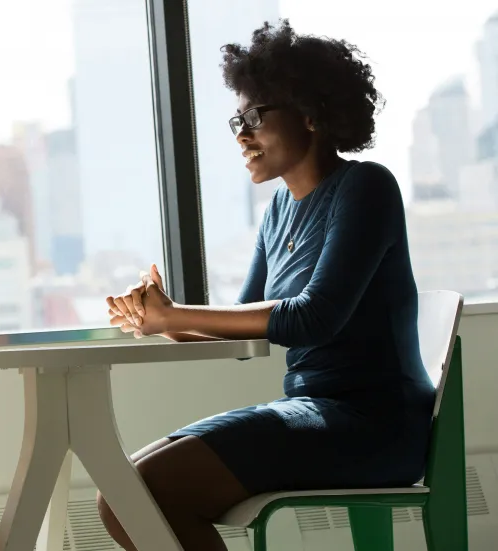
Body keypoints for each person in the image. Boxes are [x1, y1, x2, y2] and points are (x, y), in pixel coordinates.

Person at [99, 20, 436, 551]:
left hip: (374, 425)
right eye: (238, 118)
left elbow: (312, 318)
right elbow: (244, 338)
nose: (241, 134)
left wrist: (177, 314)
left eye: (255, 115)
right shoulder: (279, 210)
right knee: (120, 495)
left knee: (142, 493)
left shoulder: (366, 187)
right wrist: (156, 322)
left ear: (310, 113)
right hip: (311, 412)